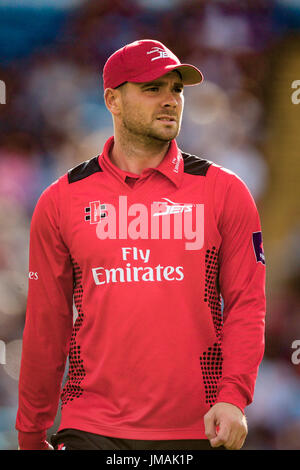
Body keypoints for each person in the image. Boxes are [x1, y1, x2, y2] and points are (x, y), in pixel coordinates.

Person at [16, 39, 266, 451]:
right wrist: (30, 432)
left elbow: (246, 304)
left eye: (177, 89)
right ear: (112, 100)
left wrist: (233, 396)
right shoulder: (60, 200)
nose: (170, 100)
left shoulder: (225, 191)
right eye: (153, 89)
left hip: (198, 428)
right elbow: (47, 322)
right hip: (88, 426)